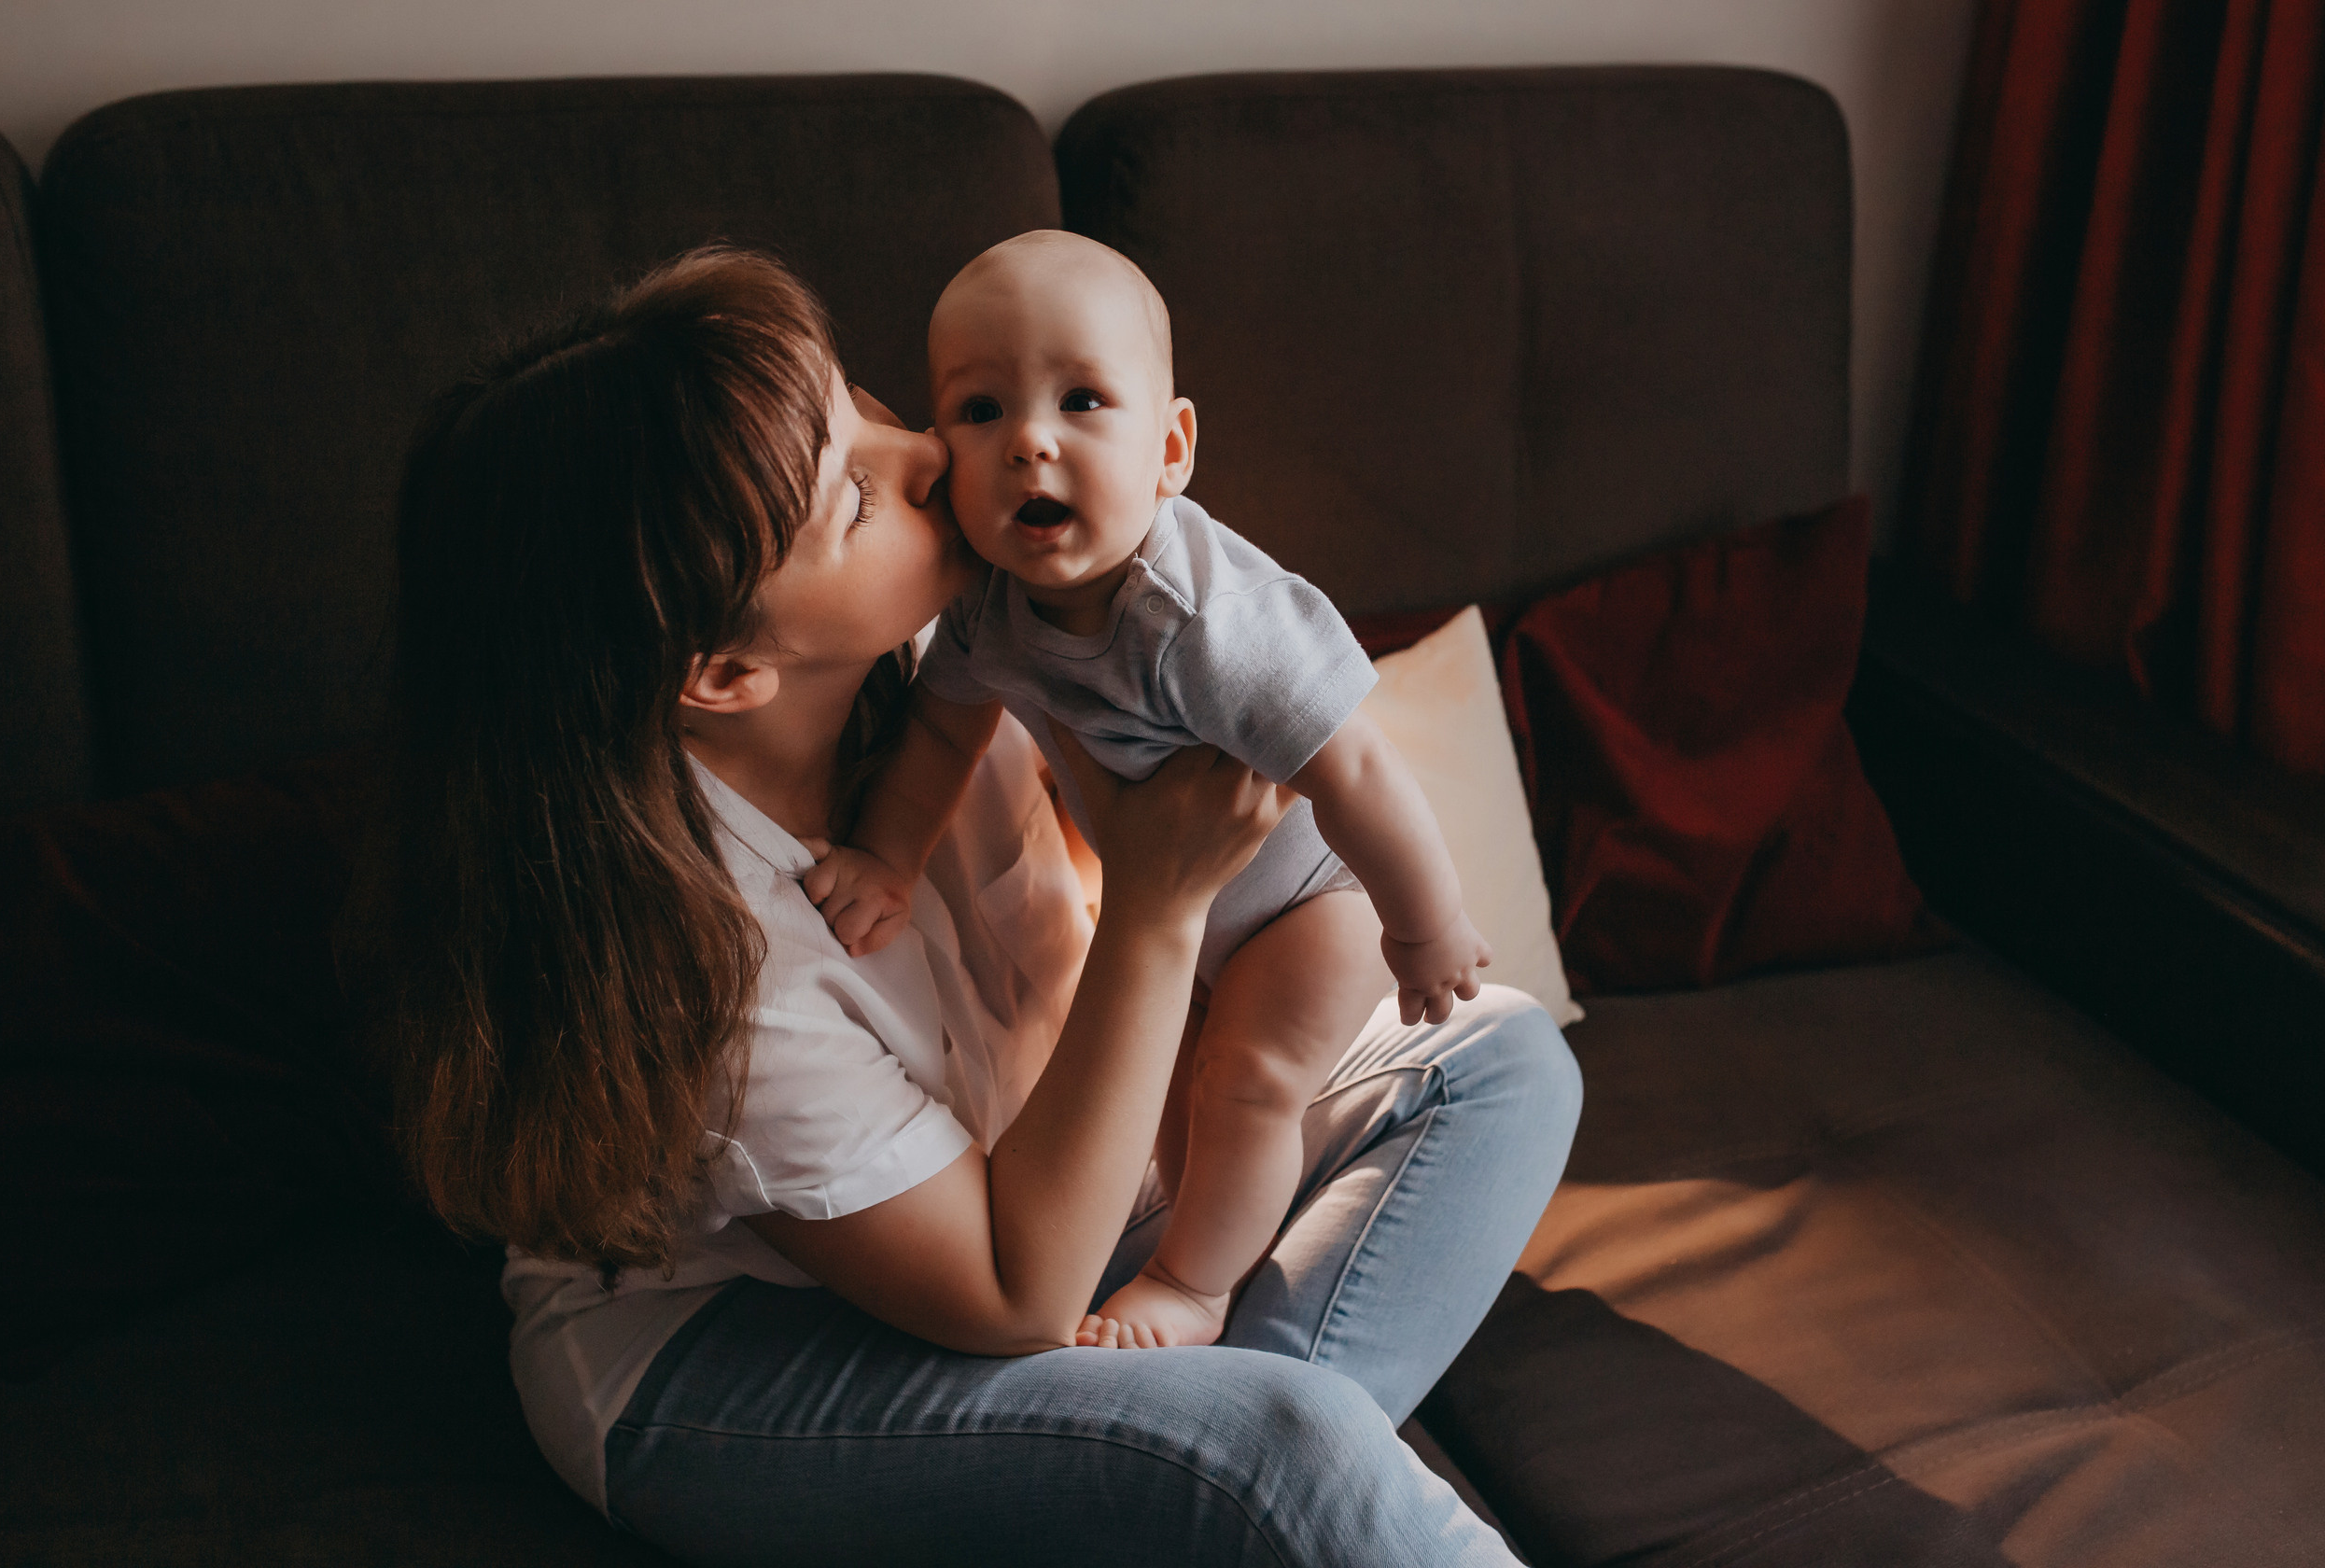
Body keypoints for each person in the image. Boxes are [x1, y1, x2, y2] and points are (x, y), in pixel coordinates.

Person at [360, 242, 1581, 1565]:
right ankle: (1241, 1477)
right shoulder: (717, 977)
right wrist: (1159, 903)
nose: (930, 458)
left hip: (1010, 1187)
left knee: (1498, 1063)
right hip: (729, 1355)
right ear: (724, 673)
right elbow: (1018, 1293)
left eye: (868, 409)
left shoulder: (963, 646)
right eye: (854, 495)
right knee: (1284, 1449)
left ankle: (1216, 1492)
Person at [803, 231, 1494, 1349]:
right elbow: (938, 731)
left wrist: (1426, 925)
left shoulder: (1205, 620)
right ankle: (1223, 1249)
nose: (1030, 441)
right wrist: (885, 858)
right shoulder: (985, 609)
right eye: (980, 410)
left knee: (1246, 1084)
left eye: (1080, 401)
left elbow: (1359, 764)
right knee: (1168, 1104)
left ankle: (1194, 1288)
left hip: (1311, 901)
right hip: (1181, 910)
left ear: (1170, 450)